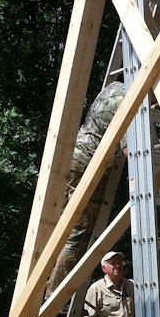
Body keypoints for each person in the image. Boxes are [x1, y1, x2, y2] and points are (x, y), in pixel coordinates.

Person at [48, 81, 128, 292]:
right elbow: (131, 150)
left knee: (58, 225)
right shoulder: (131, 100)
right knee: (77, 233)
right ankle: (53, 296)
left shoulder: (114, 86)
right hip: (90, 166)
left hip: (73, 156)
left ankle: (39, 286)